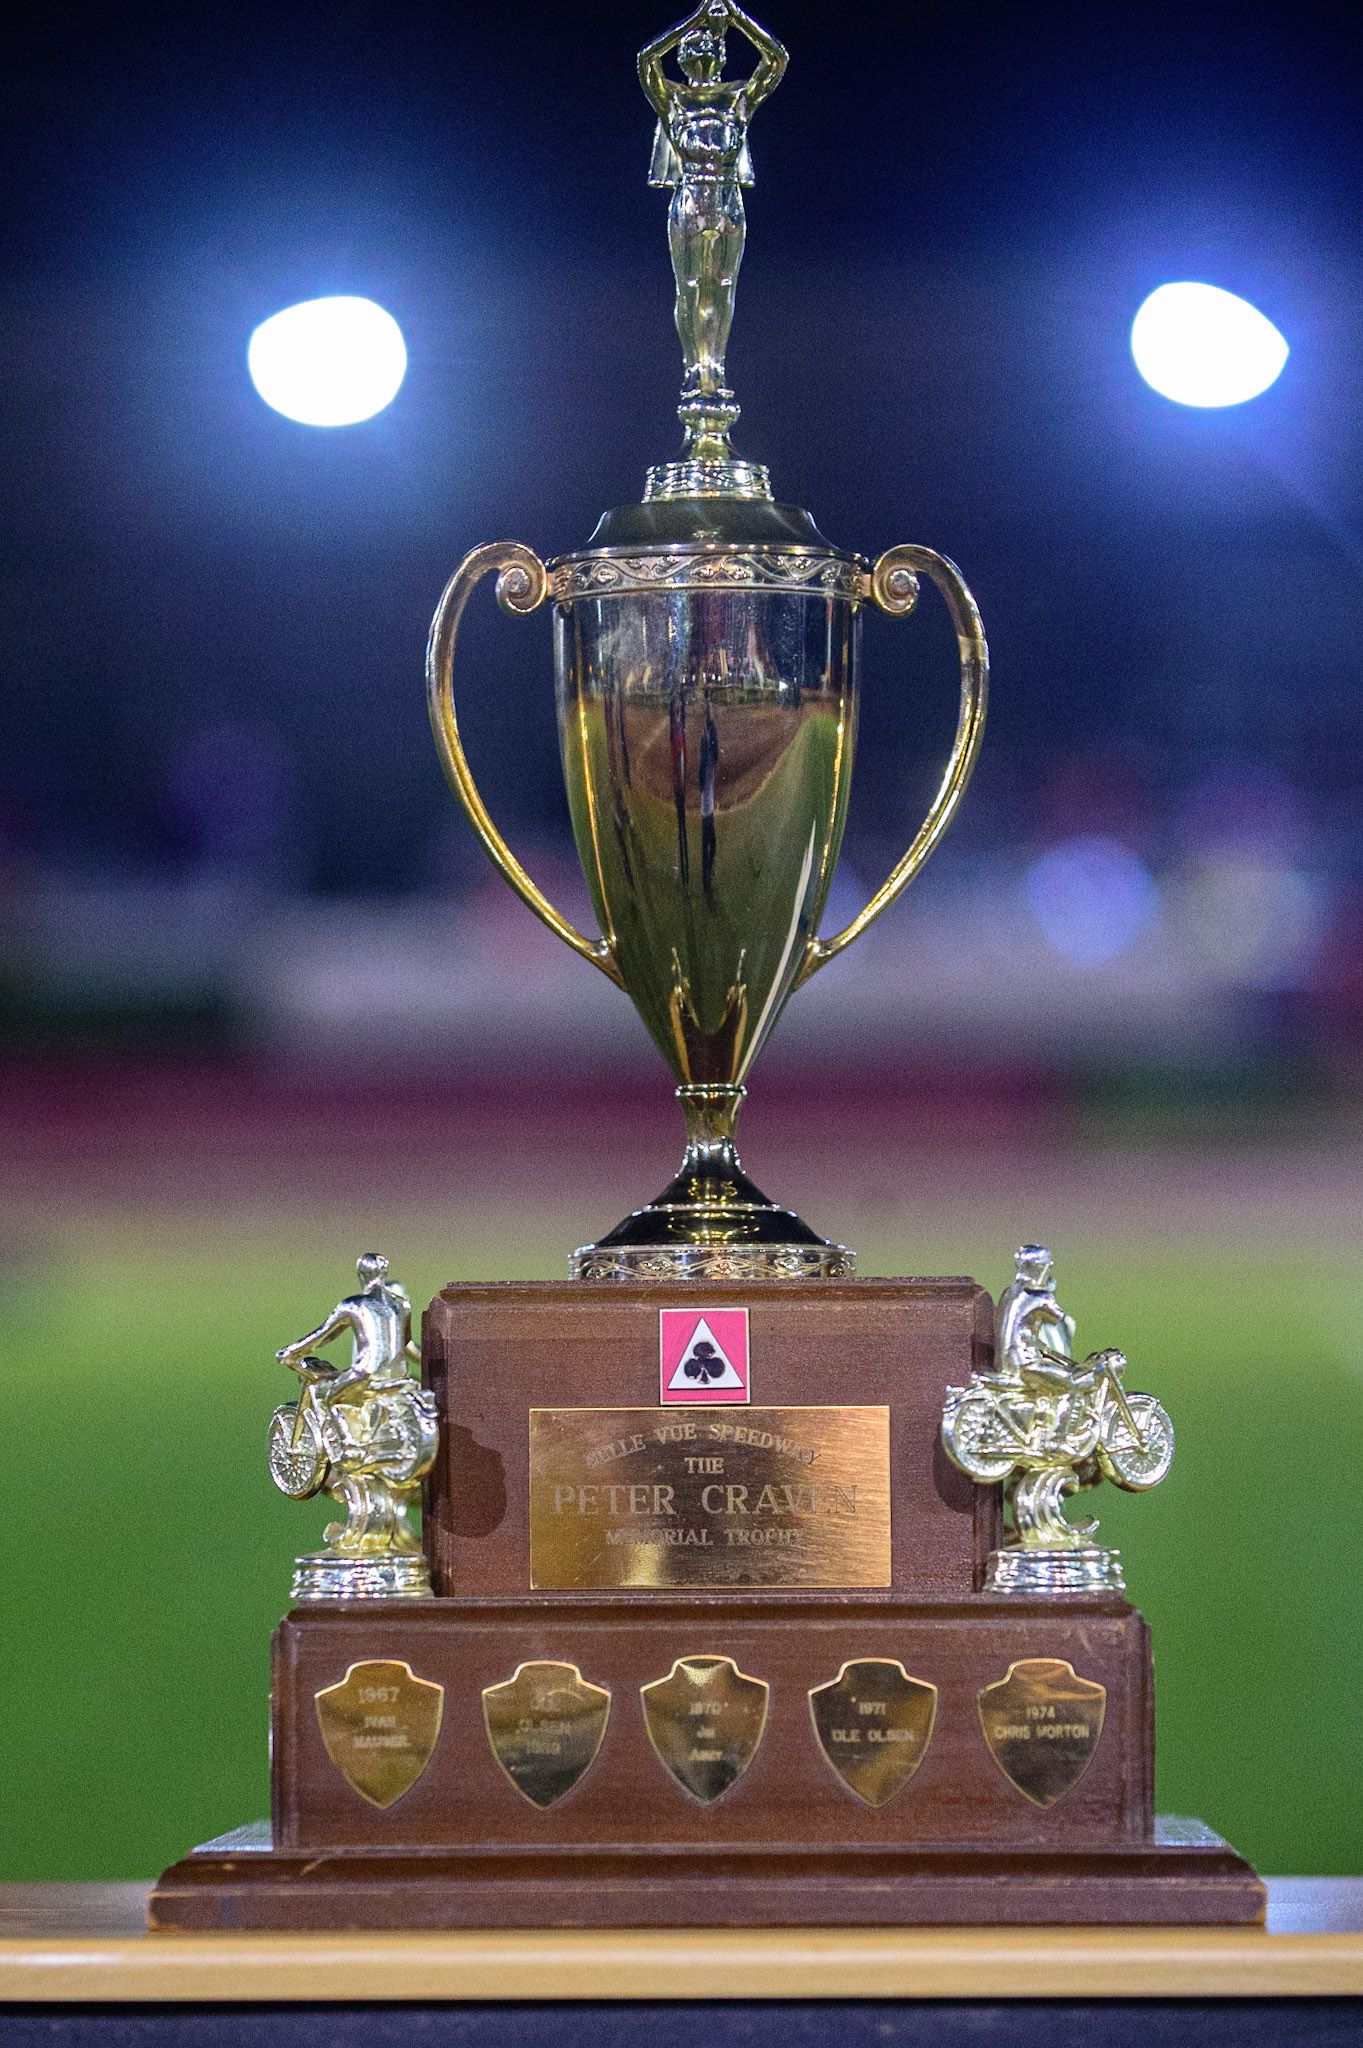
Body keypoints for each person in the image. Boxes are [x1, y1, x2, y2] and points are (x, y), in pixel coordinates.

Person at [639, 0, 787, 407]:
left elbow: (775, 60)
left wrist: (736, 16)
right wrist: (701, 14)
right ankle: (694, 369)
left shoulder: (737, 97)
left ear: (722, 54)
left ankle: (715, 368)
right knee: (689, 289)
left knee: (721, 288)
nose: (702, 49)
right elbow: (647, 59)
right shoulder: (673, 98)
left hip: (725, 196)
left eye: (710, 44)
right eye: (693, 45)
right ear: (683, 56)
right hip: (688, 195)